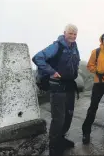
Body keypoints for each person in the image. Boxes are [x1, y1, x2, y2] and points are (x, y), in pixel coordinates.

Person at [32, 24, 80, 156]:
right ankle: (53, 147)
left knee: (68, 116)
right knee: (58, 119)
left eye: (75, 34)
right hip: (57, 87)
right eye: (70, 33)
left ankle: (61, 139)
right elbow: (37, 58)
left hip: (69, 86)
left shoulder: (74, 47)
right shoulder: (57, 46)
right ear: (64, 33)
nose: (73, 36)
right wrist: (51, 71)